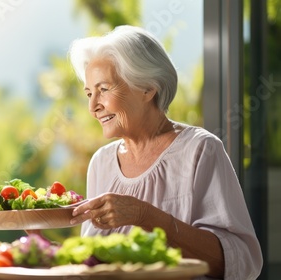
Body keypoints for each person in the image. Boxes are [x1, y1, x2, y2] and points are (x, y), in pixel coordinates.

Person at [67, 25, 263, 280]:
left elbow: (241, 262)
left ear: (148, 88)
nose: (93, 106)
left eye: (103, 89)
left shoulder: (200, 149)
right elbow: (93, 261)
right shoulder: (101, 163)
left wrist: (145, 215)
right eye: (89, 93)